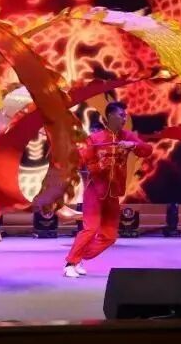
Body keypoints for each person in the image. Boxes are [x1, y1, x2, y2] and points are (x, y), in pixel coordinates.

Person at [63, 101, 151, 278]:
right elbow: (82, 162)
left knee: (110, 236)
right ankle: (70, 263)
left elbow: (147, 150)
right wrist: (100, 165)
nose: (124, 119)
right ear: (110, 116)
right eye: (121, 115)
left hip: (113, 192)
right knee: (91, 228)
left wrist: (132, 145)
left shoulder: (127, 136)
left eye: (125, 116)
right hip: (95, 190)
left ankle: (79, 257)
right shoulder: (95, 139)